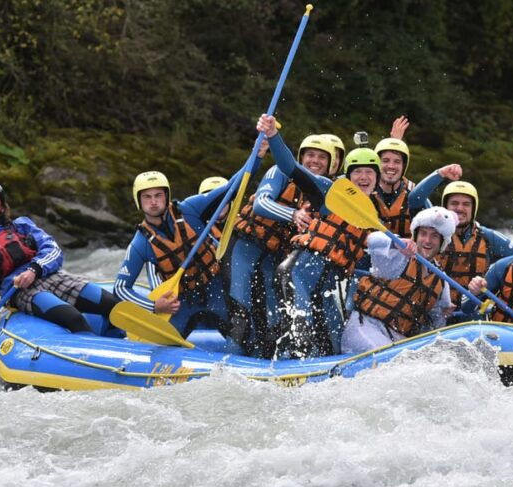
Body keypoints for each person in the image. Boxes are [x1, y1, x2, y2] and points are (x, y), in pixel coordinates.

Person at [257, 113, 375, 357]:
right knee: (302, 338)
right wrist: (273, 135)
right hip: (297, 276)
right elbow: (290, 166)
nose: (363, 178)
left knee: (332, 344)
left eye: (370, 173)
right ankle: (285, 371)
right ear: (347, 176)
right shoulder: (329, 192)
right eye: (357, 172)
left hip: (329, 287)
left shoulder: (374, 217)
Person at [0, 181, 118, 350]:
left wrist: (34, 270)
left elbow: (53, 249)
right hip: (20, 291)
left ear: (2, 207)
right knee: (74, 318)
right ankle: (96, 358)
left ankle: (124, 345)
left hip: (49, 276)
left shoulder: (22, 226)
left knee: (112, 304)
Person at [226, 134, 335, 356]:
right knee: (241, 318)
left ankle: (270, 365)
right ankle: (226, 367)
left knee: (273, 323)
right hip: (244, 250)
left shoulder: (325, 192)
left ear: (331, 163)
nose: (315, 161)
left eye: (322, 157)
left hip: (273, 260)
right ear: (300, 158)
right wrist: (293, 214)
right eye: (310, 155)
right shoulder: (280, 172)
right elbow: (261, 203)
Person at [113, 168, 240, 337]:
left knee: (246, 339)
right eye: (147, 197)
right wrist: (155, 306)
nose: (153, 202)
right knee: (163, 342)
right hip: (180, 302)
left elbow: (232, 186)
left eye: (158, 195)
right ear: (139, 201)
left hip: (216, 289)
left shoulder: (190, 209)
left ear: (167, 196)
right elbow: (120, 288)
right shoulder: (140, 243)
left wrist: (257, 157)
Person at [342, 206, 458, 353]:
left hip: (398, 339)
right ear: (415, 236)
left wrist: (444, 313)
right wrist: (395, 243)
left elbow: (436, 324)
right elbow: (372, 240)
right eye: (423, 234)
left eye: (434, 236)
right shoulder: (398, 256)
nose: (427, 240)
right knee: (388, 357)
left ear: (442, 242)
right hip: (365, 326)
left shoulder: (441, 281)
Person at [438, 181, 513, 317]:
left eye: (466, 204)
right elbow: (416, 200)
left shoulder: (488, 237)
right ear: (445, 207)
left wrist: (494, 275)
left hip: (474, 313)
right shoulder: (433, 234)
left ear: (473, 208)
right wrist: (439, 174)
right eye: (454, 203)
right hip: (439, 313)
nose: (460, 208)